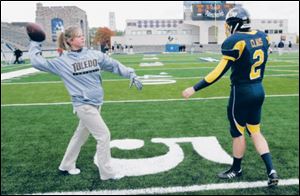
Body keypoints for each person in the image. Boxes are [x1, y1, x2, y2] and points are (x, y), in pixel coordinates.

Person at [29, 26, 143, 180]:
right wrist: (35, 43)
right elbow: (37, 62)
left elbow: (113, 64)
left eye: (83, 35)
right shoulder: (63, 62)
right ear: (69, 40)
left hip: (96, 103)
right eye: (78, 36)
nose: (82, 38)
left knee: (80, 136)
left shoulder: (94, 55)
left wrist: (130, 73)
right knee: (104, 136)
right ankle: (107, 173)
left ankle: (66, 164)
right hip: (83, 105)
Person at [182, 7, 279, 187]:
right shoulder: (263, 36)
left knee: (237, 133)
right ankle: (271, 170)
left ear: (235, 24)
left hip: (241, 92)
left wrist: (194, 88)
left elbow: (217, 73)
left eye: (229, 24)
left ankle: (236, 169)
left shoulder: (235, 41)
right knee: (255, 131)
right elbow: (265, 53)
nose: (227, 28)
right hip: (259, 89)